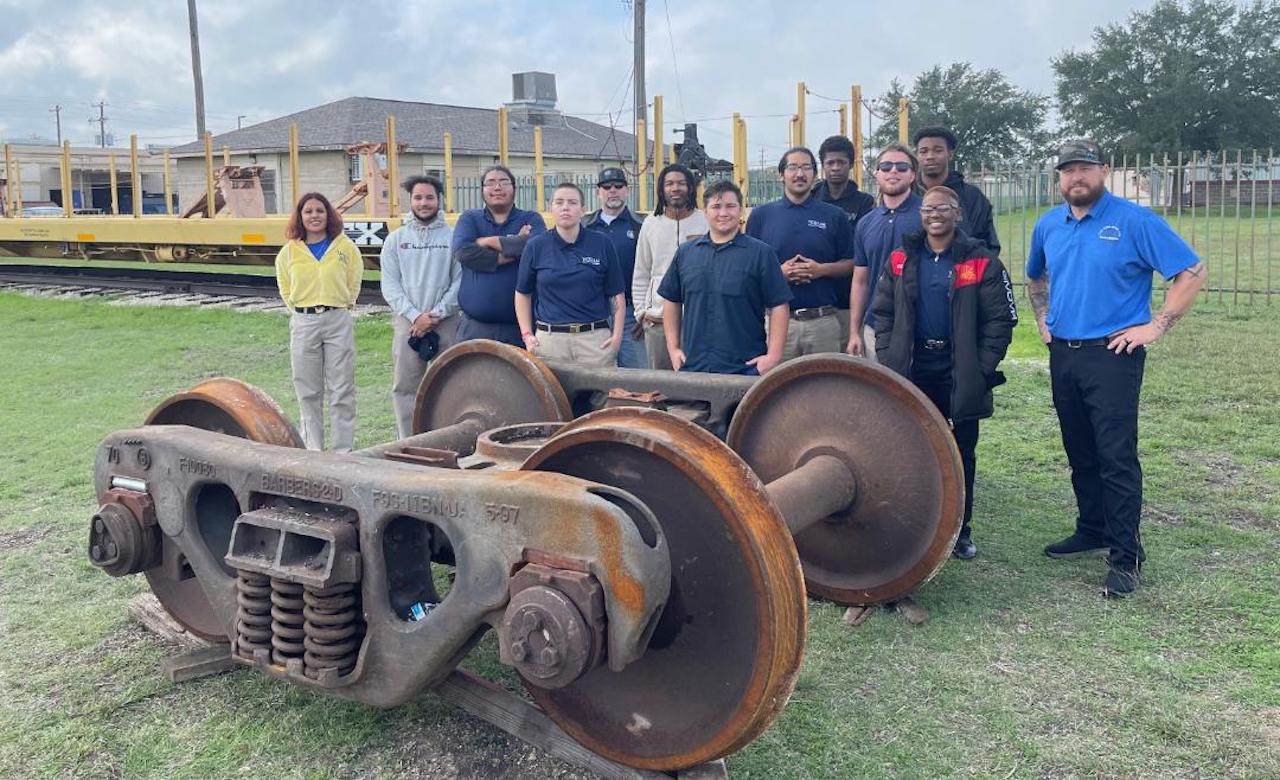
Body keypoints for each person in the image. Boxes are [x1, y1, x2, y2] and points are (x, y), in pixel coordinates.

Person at [1027, 139, 1204, 599]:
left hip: (1113, 355)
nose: (1076, 177)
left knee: (1115, 456)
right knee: (1080, 449)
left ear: (1104, 171)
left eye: (1085, 168)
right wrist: (1042, 317)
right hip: (1064, 353)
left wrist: (1157, 325)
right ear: (1059, 177)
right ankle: (1092, 528)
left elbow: (1191, 272)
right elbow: (1035, 275)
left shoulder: (1134, 221)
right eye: (1068, 170)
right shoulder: (1049, 224)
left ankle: (1126, 556)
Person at [871, 185, 1017, 560]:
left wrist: (980, 369)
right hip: (913, 369)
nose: (934, 215)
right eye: (928, 209)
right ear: (921, 215)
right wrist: (889, 356)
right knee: (909, 449)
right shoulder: (901, 258)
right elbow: (882, 312)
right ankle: (914, 527)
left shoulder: (981, 261)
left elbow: (1001, 321)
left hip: (959, 371)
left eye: (943, 208)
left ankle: (959, 531)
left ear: (958, 213)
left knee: (960, 452)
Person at [659, 179, 791, 375]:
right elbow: (671, 299)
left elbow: (779, 305)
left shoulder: (761, 254)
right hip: (694, 367)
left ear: (741, 210)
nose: (723, 213)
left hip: (745, 369)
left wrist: (773, 356)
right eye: (716, 207)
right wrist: (673, 348)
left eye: (730, 206)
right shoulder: (686, 253)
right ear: (705, 211)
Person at [746, 146, 854, 359]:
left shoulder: (834, 216)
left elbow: (852, 263)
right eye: (793, 167)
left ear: (815, 174)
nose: (799, 174)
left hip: (823, 323)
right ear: (781, 174)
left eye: (806, 167)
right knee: (778, 381)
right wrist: (778, 274)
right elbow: (748, 268)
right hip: (778, 323)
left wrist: (821, 270)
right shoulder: (761, 216)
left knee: (827, 380)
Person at [274, 192, 362, 452]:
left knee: (342, 388)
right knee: (308, 390)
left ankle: (343, 451)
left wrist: (343, 304)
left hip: (337, 320)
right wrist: (300, 309)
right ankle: (313, 450)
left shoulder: (345, 247)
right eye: (308, 211)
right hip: (304, 322)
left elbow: (354, 280)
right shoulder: (289, 252)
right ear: (300, 217)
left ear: (328, 215)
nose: (314, 216)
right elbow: (285, 287)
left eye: (320, 211)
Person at [379, 175, 460, 439]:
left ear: (439, 200)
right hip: (408, 323)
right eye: (418, 198)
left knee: (447, 385)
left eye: (429, 198)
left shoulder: (453, 238)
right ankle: (408, 442)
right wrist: (416, 316)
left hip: (446, 323)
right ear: (410, 200)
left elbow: (460, 282)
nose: (423, 203)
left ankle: (444, 441)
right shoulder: (396, 240)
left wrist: (436, 314)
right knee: (405, 387)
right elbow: (390, 285)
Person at [515, 182, 626, 366]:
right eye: (559, 202)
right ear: (550, 209)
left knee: (603, 387)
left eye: (572, 202)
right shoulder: (536, 246)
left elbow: (616, 294)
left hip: (595, 342)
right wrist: (527, 334)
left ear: (583, 210)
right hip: (550, 343)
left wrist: (617, 337)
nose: (565, 207)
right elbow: (522, 293)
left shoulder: (602, 243)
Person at [451, 164, 547, 346]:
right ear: (482, 190)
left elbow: (538, 248)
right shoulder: (470, 219)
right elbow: (463, 252)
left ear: (514, 188)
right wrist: (516, 245)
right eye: (490, 183)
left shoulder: (531, 218)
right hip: (474, 329)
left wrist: (487, 241)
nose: (497, 187)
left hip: (522, 330)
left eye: (504, 182)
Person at [846, 144, 922, 362]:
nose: (893, 171)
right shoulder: (865, 223)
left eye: (902, 167)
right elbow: (860, 281)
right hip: (876, 327)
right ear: (877, 173)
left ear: (912, 175)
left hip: (920, 326)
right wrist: (854, 332)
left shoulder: (927, 215)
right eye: (886, 166)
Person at [632, 164, 708, 369]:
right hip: (657, 322)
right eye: (670, 184)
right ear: (661, 189)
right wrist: (641, 312)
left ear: (690, 188)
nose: (676, 188)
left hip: (698, 321)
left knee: (699, 381)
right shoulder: (650, 224)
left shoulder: (705, 221)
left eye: (681, 183)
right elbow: (641, 272)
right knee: (660, 384)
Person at [813, 135, 877, 339]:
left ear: (850, 164)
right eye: (830, 163)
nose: (835, 168)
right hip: (819, 300)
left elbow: (863, 247)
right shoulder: (812, 199)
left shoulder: (864, 202)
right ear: (823, 165)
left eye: (841, 162)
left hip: (850, 300)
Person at [582, 167, 646, 368]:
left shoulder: (642, 225)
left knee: (637, 377)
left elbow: (652, 270)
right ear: (598, 191)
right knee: (596, 377)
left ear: (627, 190)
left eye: (618, 186)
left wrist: (643, 313)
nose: (612, 191)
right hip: (593, 313)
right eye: (606, 186)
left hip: (631, 315)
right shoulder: (584, 226)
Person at [913, 126, 1000, 252]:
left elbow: (989, 246)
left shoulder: (972, 197)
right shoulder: (908, 194)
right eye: (923, 151)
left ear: (950, 154)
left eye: (938, 150)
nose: (930, 156)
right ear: (916, 155)